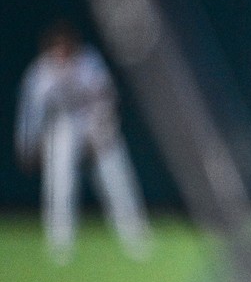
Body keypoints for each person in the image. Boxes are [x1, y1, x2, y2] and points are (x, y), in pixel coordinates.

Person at [14, 19, 152, 263]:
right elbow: (31, 113)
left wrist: (101, 132)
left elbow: (107, 98)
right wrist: (27, 144)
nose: (61, 53)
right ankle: (60, 243)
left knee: (117, 183)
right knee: (61, 185)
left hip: (94, 123)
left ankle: (135, 238)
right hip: (64, 127)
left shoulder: (88, 63)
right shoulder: (40, 72)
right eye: (56, 48)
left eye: (65, 47)